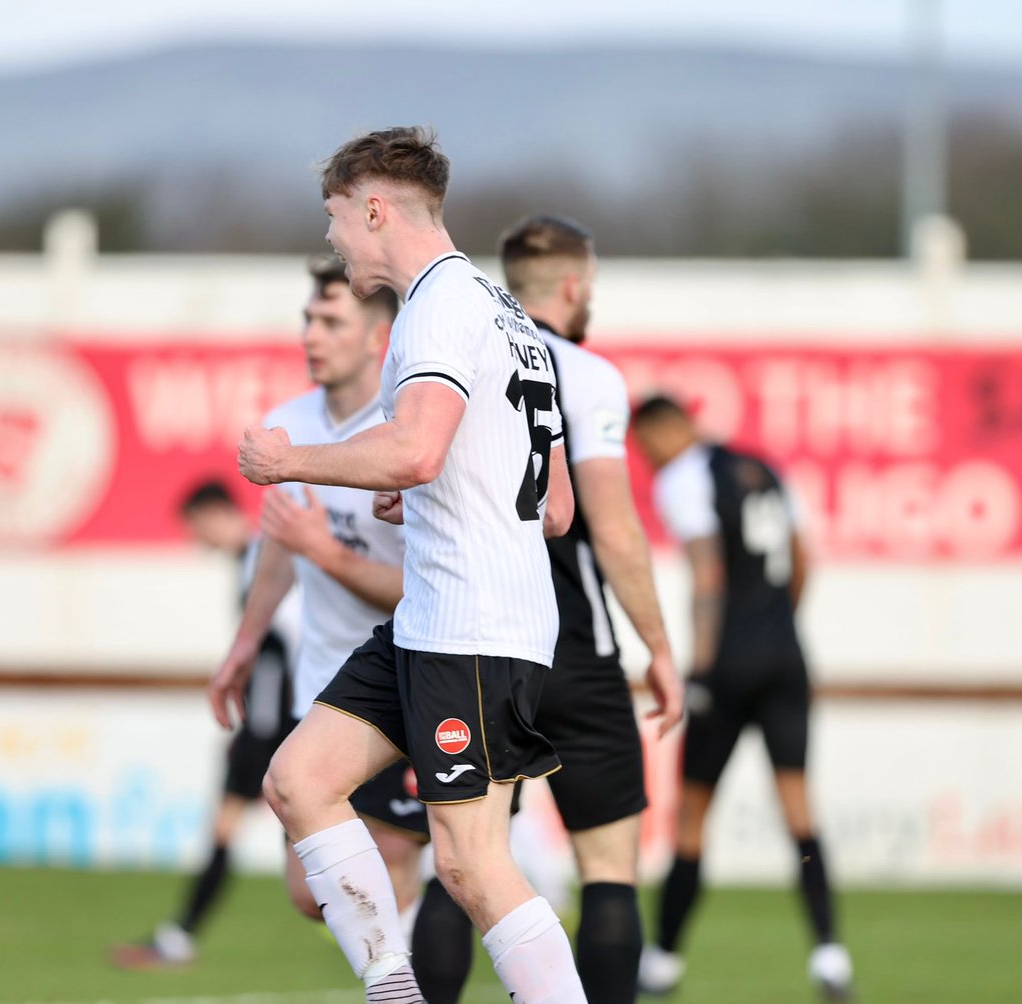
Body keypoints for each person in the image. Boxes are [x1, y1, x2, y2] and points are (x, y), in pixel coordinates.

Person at [212, 126, 587, 1003]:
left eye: (335, 217)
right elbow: (556, 504)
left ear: (373, 207)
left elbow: (417, 450)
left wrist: (287, 460)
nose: (334, 238)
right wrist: (428, 487)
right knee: (299, 781)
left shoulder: (437, 306)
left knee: (472, 867)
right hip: (437, 621)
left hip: (472, 628)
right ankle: (393, 989)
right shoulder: (507, 315)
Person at [410, 215, 685, 1004]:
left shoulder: (467, 350)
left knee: (462, 861)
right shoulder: (585, 373)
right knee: (607, 870)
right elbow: (615, 526)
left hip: (482, 641)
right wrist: (659, 647)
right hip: (577, 652)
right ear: (573, 286)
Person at [213, 253, 435, 936]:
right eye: (308, 319)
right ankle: (455, 883)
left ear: (377, 337)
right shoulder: (289, 423)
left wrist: (326, 552)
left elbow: (421, 589)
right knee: (313, 894)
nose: (310, 334)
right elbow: (280, 545)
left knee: (391, 866)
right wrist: (246, 642)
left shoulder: (410, 433)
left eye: (330, 321)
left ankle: (424, 946)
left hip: (407, 684)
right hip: (323, 685)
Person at [630, 394, 854, 1001]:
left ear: (666, 429)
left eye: (645, 444)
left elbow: (708, 573)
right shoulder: (765, 467)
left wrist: (700, 667)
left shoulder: (686, 476)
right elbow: (804, 556)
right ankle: (831, 955)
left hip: (727, 666)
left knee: (693, 818)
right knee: (799, 810)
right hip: (785, 656)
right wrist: (777, 625)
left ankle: (665, 961)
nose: (646, 459)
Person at [111, 479, 301, 968]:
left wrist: (259, 733)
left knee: (287, 842)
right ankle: (180, 935)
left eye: (196, 527)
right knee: (286, 839)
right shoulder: (255, 558)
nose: (197, 539)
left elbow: (281, 653)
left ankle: (181, 937)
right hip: (279, 722)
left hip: (278, 725)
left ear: (215, 514)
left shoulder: (263, 558)